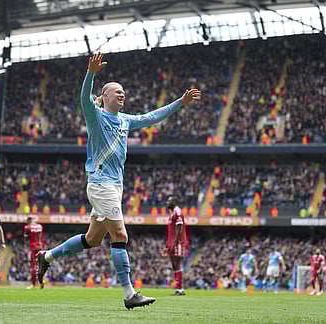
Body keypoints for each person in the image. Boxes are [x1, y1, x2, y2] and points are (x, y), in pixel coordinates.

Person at [36, 52, 201, 310]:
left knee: (91, 240)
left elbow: (151, 117)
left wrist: (180, 102)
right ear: (104, 97)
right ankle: (129, 294)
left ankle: (46, 256)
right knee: (120, 235)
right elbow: (84, 98)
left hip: (114, 186)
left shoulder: (125, 121)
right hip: (101, 184)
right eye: (116, 91)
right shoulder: (95, 116)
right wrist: (90, 73)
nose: (122, 94)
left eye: (123, 91)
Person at [161, 196, 188, 296]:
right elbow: (171, 231)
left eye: (169, 201)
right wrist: (168, 244)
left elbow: (179, 228)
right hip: (172, 242)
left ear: (175, 202)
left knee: (177, 263)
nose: (167, 202)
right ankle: (178, 288)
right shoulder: (171, 213)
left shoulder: (177, 211)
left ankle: (180, 289)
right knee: (174, 264)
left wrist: (175, 242)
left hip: (178, 242)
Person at [23, 216, 44, 289]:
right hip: (40, 246)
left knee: (33, 267)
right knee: (40, 265)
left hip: (33, 247)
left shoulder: (27, 227)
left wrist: (28, 235)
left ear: (28, 220)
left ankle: (33, 284)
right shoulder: (40, 226)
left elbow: (26, 238)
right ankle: (41, 281)